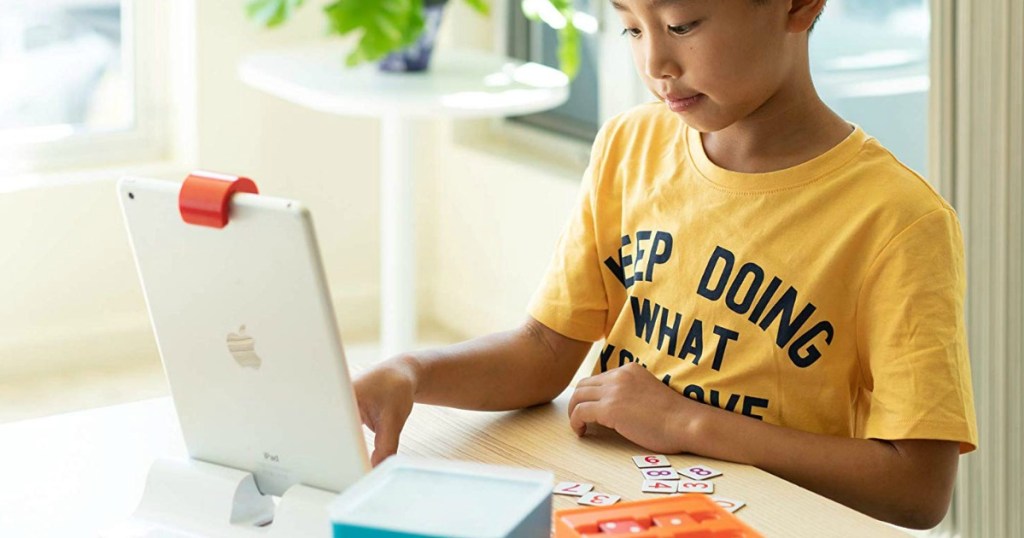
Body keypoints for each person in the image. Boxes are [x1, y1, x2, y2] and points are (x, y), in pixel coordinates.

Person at [353, 0, 977, 529]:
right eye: (631, 27)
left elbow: (917, 489)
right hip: (609, 502)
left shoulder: (899, 220)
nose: (656, 65)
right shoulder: (629, 147)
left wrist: (689, 422)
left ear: (800, 4)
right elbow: (544, 352)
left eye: (681, 26)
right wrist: (412, 372)